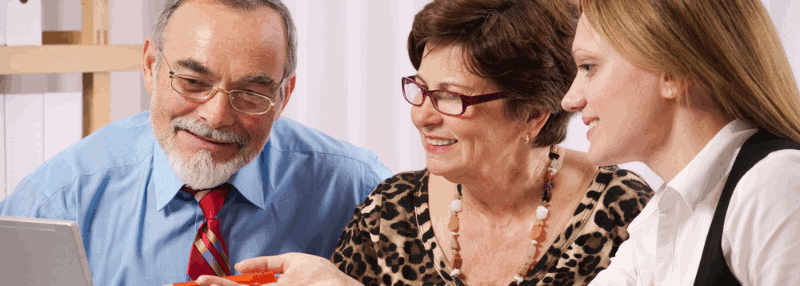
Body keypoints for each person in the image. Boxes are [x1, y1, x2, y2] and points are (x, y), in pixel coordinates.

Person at [197, 0, 654, 285]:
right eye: (420, 88)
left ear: (533, 114)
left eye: (451, 97)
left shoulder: (625, 212)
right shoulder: (389, 211)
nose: (422, 114)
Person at [0, 0, 392, 285]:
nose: (217, 116)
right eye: (193, 83)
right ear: (152, 66)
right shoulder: (55, 201)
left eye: (251, 93)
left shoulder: (360, 189)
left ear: (284, 95)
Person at [559, 0, 800, 285]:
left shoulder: (774, 185)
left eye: (589, 66)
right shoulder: (662, 218)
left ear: (671, 72)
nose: (570, 100)